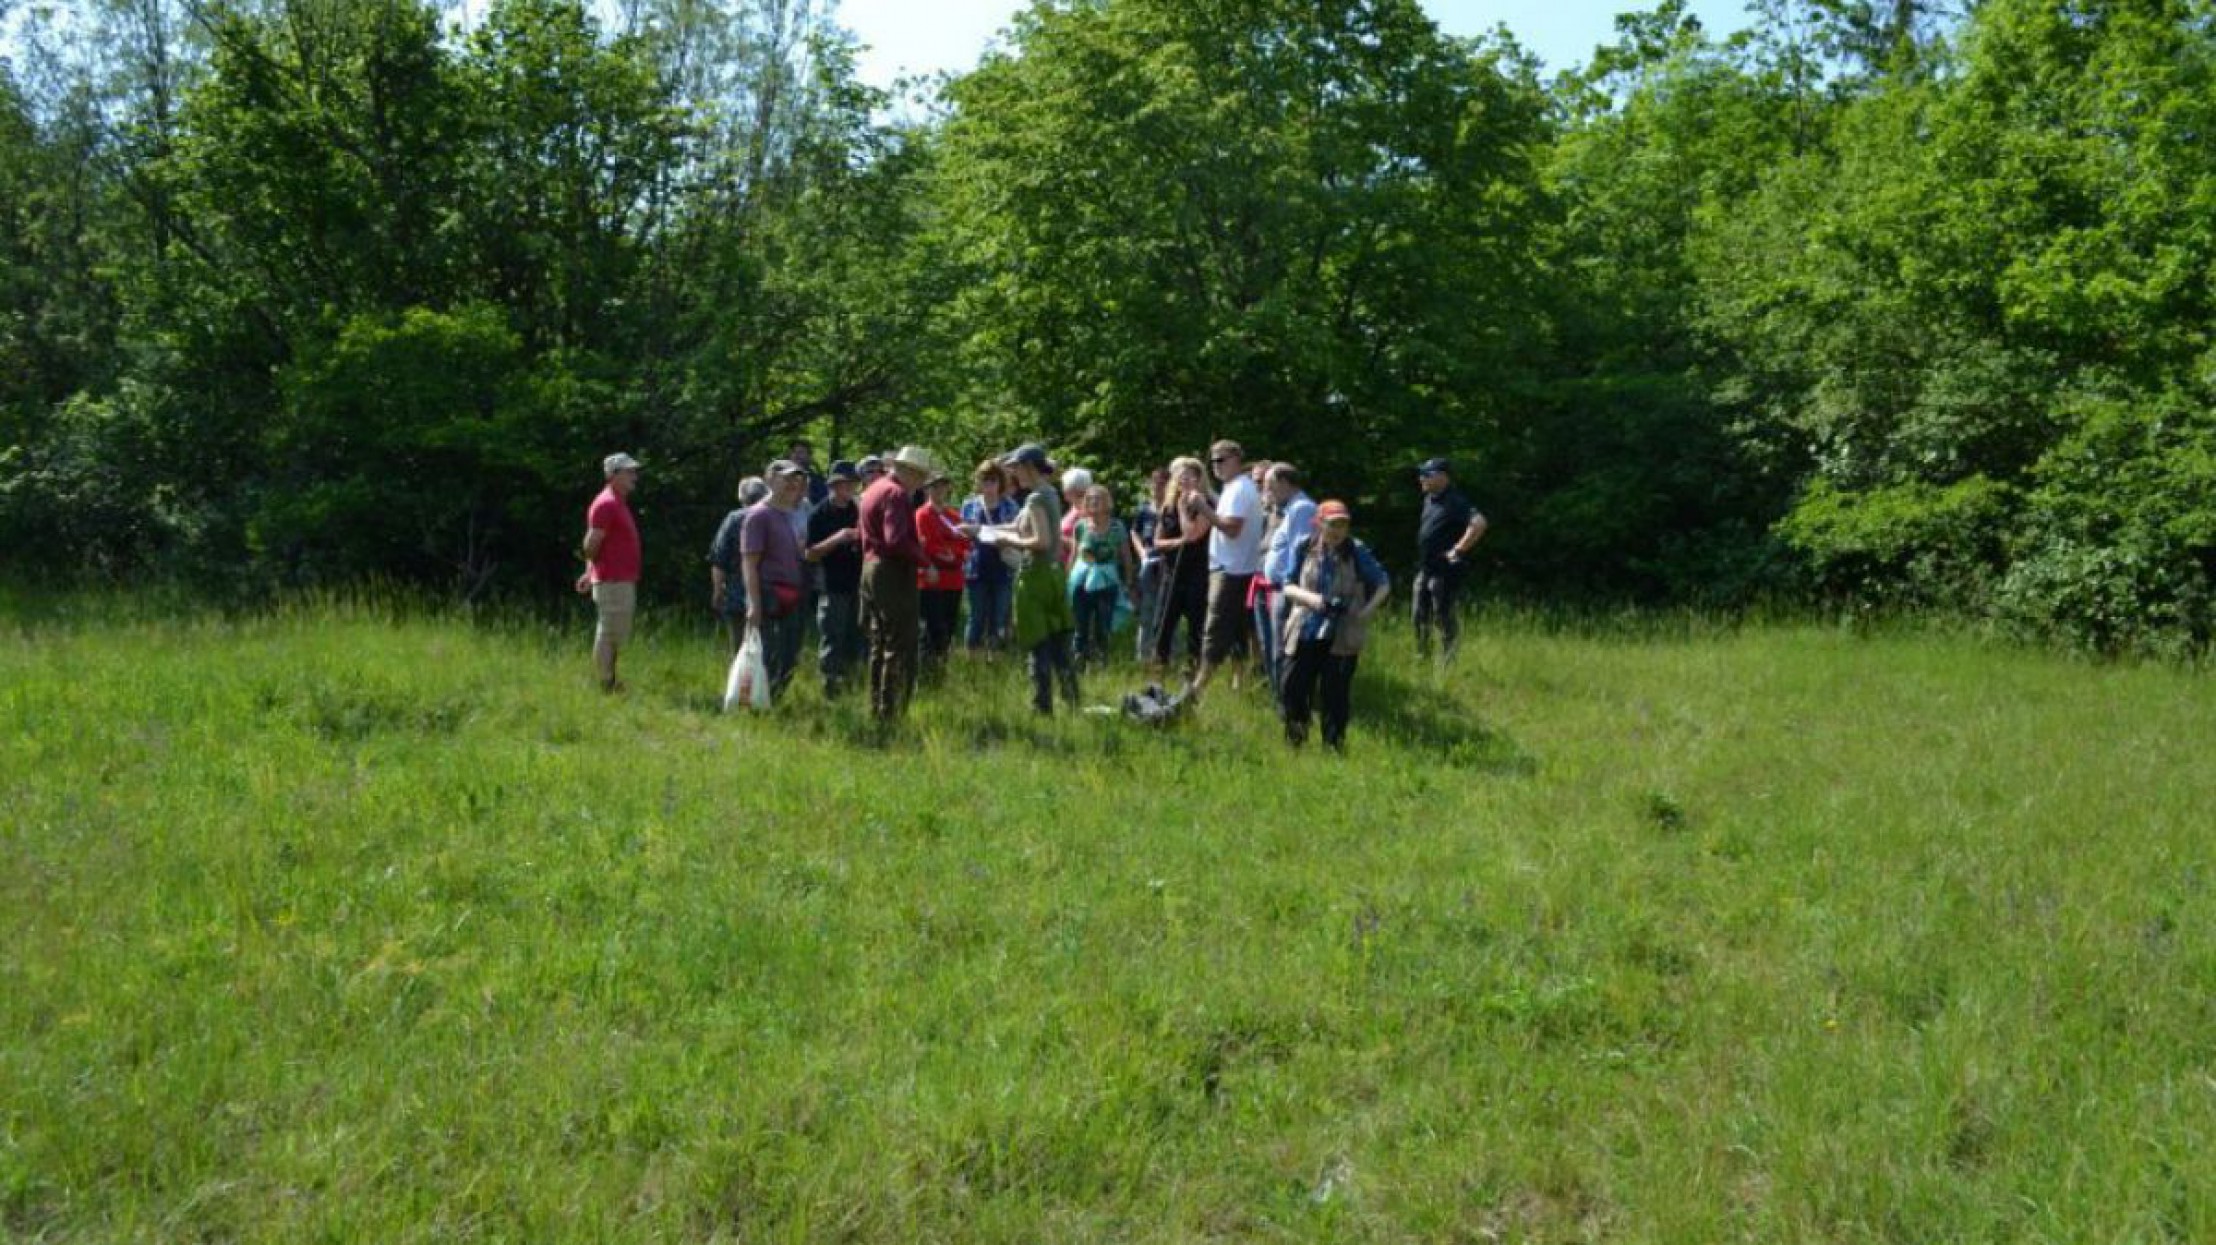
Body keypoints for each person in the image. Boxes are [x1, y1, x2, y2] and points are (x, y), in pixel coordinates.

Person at [1278, 500, 1391, 750]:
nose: (1338, 530)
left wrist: (1365, 612)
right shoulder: (1303, 546)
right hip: (1305, 627)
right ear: (1318, 523)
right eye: (1332, 524)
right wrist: (1312, 599)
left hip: (1342, 632)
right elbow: (1286, 584)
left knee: (1335, 695)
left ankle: (1333, 747)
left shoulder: (1356, 550)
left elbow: (1383, 583)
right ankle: (1295, 741)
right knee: (1292, 686)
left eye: (1343, 524)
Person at [980, 443, 1080, 714]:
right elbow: (1019, 525)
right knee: (1060, 642)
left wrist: (1006, 540)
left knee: (1038, 643)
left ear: (1029, 467)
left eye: (1016, 468)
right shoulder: (1048, 492)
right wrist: (982, 529)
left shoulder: (1036, 499)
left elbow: (1040, 540)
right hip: (1054, 576)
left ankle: (1042, 708)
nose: (1013, 473)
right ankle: (1072, 703)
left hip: (1036, 578)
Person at [859, 446, 937, 719]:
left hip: (870, 569)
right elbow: (895, 540)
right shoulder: (896, 493)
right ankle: (891, 712)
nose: (920, 484)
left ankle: (876, 708)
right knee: (899, 644)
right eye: (919, 477)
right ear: (908, 471)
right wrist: (926, 562)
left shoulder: (874, 488)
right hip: (891, 572)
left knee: (879, 643)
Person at [1187, 439, 1264, 696]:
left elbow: (1231, 528)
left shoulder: (1240, 488)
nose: (1216, 466)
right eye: (1213, 461)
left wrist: (1202, 507)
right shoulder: (1234, 487)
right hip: (1238, 568)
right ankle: (1239, 681)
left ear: (1236, 459)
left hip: (1231, 570)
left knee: (1215, 626)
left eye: (1221, 460)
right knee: (1238, 627)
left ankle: (1198, 687)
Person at [741, 460, 810, 701]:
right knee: (771, 655)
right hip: (770, 594)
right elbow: (749, 563)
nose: (793, 484)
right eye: (787, 478)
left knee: (790, 654)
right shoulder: (759, 515)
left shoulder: (789, 514)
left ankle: (774, 702)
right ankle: (759, 704)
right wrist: (753, 603)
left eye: (797, 479)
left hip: (792, 594)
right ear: (769, 479)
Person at [576, 452, 643, 692]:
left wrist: (589, 572)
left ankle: (610, 680)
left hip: (619, 580)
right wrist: (594, 571)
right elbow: (591, 543)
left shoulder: (617, 502)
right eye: (629, 472)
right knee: (608, 633)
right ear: (613, 475)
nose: (634, 476)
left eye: (634, 471)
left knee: (614, 633)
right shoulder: (606, 503)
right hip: (612, 581)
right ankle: (605, 683)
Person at [1414, 457, 1488, 662]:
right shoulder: (1429, 498)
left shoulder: (1456, 501)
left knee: (1442, 616)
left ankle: (1448, 661)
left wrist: (1458, 549)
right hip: (1425, 568)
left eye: (1427, 474)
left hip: (1444, 571)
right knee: (1419, 615)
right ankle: (1422, 657)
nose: (1421, 478)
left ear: (1443, 477)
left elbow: (1479, 523)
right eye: (1421, 474)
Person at [805, 461, 865, 697]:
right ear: (833, 485)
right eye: (844, 483)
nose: (849, 488)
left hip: (858, 585)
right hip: (831, 585)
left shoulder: (858, 510)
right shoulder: (819, 514)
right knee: (832, 637)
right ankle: (829, 688)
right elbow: (809, 554)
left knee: (856, 637)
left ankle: (850, 686)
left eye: (852, 483)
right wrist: (838, 539)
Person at [1258, 463, 1316, 703]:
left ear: (1284, 483)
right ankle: (1282, 698)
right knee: (1274, 647)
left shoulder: (1302, 508)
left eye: (1270, 487)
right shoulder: (1290, 509)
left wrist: (1289, 586)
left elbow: (1299, 550)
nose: (1267, 493)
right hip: (1277, 587)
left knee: (1282, 649)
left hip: (1286, 590)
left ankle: (1287, 702)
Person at [1150, 456, 1212, 674]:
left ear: (1199, 479)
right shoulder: (1167, 506)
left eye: (1190, 476)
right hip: (1170, 573)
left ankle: (1192, 673)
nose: (1184, 480)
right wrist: (1176, 542)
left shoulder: (1206, 504)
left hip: (1196, 574)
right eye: (1180, 476)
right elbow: (1157, 542)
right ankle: (1158, 673)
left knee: (1195, 627)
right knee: (1162, 625)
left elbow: (1193, 535)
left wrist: (1185, 509)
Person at [1067, 484, 1132, 668]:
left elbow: (1126, 556)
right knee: (1080, 627)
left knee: (1103, 627)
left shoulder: (1117, 526)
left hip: (1107, 582)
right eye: (1090, 498)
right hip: (1081, 581)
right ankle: (1079, 664)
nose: (1093, 501)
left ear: (1107, 502)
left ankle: (1101, 665)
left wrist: (1128, 581)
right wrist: (1067, 581)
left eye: (1098, 498)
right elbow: (1073, 555)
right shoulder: (1080, 526)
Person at [916, 472, 973, 673]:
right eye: (934, 486)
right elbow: (926, 545)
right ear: (927, 489)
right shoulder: (922, 515)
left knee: (948, 629)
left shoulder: (954, 516)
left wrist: (954, 555)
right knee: (931, 630)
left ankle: (940, 672)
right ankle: (926, 673)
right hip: (932, 580)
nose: (939, 490)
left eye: (943, 485)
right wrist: (944, 553)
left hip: (954, 580)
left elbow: (965, 544)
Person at [708, 475, 772, 653]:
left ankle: (740, 680)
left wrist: (717, 590)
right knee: (765, 650)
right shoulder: (773, 517)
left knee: (739, 650)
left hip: (736, 596)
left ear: (742, 498)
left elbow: (719, 558)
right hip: (769, 594)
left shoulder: (733, 519)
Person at [962, 460, 1020, 651]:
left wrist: (1003, 538)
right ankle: (972, 659)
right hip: (976, 568)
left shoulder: (1011, 506)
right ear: (979, 481)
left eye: (993, 480)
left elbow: (1019, 533)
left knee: (999, 617)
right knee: (976, 617)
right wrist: (967, 532)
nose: (989, 484)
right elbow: (962, 535)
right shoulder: (969, 505)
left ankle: (995, 659)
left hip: (1002, 568)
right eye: (984, 479)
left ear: (1000, 482)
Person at [1130, 467, 1167, 662]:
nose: (1157, 487)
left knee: (1166, 610)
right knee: (1146, 609)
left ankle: (1167, 654)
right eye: (1154, 483)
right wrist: (1142, 553)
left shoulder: (1172, 509)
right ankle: (1143, 656)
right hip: (1147, 562)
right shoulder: (1144, 509)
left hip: (1166, 564)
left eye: (1161, 483)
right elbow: (1134, 532)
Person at [1058, 467, 1092, 566]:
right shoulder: (1074, 507)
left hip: (1079, 568)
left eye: (1064, 486)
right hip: (1065, 565)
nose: (1062, 490)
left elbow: (1088, 545)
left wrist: (1059, 539)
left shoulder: (1087, 512)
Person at [789, 437, 829, 507]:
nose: (796, 455)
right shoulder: (782, 478)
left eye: (801, 452)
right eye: (794, 451)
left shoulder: (819, 481)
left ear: (809, 456)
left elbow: (824, 505)